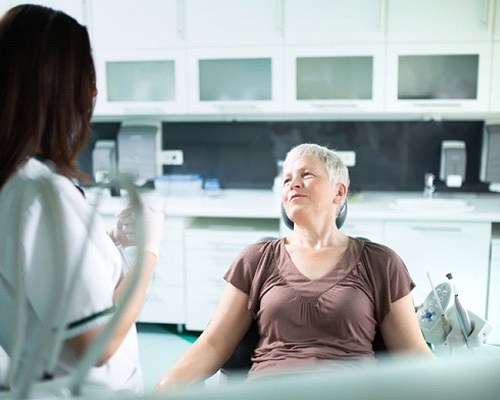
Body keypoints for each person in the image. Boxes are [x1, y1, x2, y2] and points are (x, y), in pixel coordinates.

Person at [155, 143, 432, 391]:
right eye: (287, 179)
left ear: (339, 192)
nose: (293, 184)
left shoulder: (381, 263)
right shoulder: (255, 259)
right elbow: (213, 344)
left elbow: (413, 354)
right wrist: (165, 386)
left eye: (306, 175)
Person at [0, 4, 164, 394]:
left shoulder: (17, 183)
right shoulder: (41, 195)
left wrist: (102, 242)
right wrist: (150, 252)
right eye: (87, 75)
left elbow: (37, 278)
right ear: (60, 88)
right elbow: (98, 342)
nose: (93, 92)